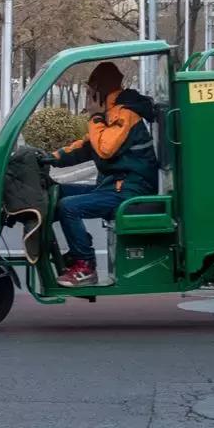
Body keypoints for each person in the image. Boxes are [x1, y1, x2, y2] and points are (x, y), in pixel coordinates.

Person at [42, 62, 159, 287]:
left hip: (130, 190)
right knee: (55, 193)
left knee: (69, 207)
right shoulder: (110, 111)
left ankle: (85, 265)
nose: (87, 96)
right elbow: (87, 147)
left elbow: (105, 148)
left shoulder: (123, 114)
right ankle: (74, 251)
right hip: (114, 185)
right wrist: (49, 158)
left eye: (90, 91)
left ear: (99, 90)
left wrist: (95, 118)